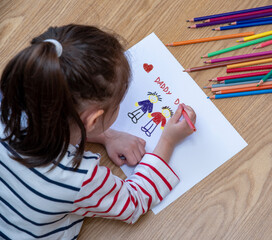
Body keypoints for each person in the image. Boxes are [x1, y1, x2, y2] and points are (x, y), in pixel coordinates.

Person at [0, 24, 196, 239]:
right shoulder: (78, 179)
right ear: (92, 120)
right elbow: (134, 201)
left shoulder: (9, 99)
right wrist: (168, 140)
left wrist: (106, 135)